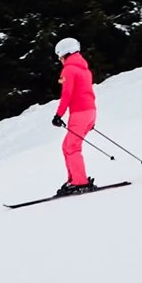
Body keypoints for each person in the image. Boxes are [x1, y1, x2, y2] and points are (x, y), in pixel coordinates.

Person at [51, 37, 96, 195]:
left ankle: (79, 182)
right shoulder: (84, 69)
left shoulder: (69, 70)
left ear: (65, 54)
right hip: (90, 112)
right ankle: (74, 180)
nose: (60, 60)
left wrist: (58, 115)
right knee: (67, 146)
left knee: (71, 147)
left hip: (79, 114)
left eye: (60, 57)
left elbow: (67, 94)